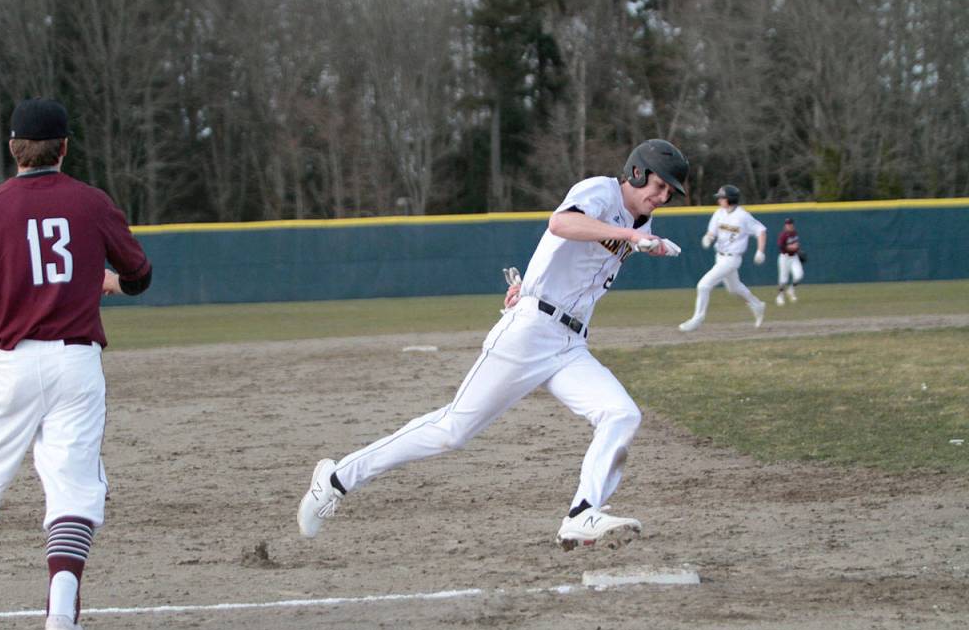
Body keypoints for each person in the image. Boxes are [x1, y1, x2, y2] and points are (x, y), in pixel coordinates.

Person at [298, 139, 689, 550]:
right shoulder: (602, 191)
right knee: (452, 431)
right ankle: (336, 479)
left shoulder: (639, 226)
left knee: (621, 414)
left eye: (668, 193)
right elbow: (560, 225)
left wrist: (631, 240)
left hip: (570, 343)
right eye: (659, 186)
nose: (661, 197)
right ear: (637, 172)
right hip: (530, 333)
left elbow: (567, 262)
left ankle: (582, 513)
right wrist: (624, 236)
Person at [0, 98, 152, 630]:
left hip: (10, 362)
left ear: (13, 149)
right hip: (75, 362)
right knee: (73, 491)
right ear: (64, 147)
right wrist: (111, 282)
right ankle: (62, 619)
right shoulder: (90, 202)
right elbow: (139, 274)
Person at [678, 184, 767, 332]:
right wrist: (708, 238)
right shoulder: (719, 213)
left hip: (732, 259)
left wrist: (760, 251)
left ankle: (698, 318)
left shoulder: (743, 216)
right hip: (720, 257)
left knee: (703, 285)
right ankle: (757, 305)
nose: (719, 200)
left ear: (729, 199)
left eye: (721, 197)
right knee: (734, 288)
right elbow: (712, 232)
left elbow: (761, 231)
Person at [775, 217, 803, 306]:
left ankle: (791, 290)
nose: (789, 225)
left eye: (790, 224)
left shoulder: (795, 233)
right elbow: (781, 246)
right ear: (785, 225)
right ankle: (780, 296)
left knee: (799, 275)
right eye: (787, 224)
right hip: (784, 257)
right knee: (783, 280)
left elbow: (797, 244)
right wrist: (791, 247)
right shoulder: (783, 235)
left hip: (794, 257)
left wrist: (797, 250)